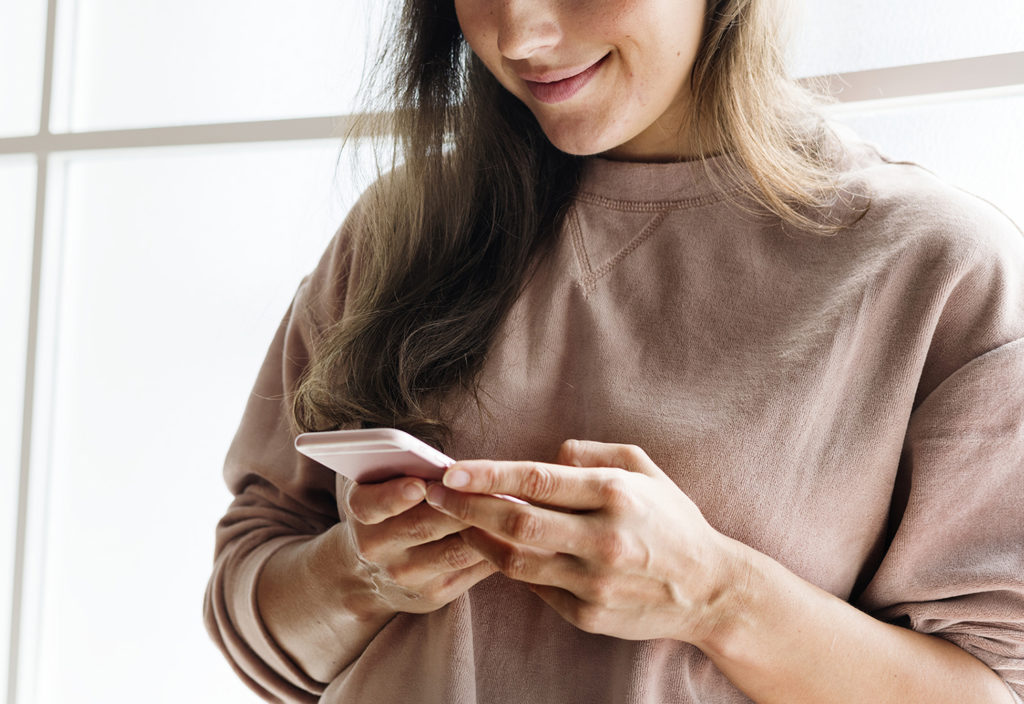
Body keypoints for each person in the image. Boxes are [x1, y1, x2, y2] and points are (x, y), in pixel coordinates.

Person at [204, 0, 1024, 702]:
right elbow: (253, 603)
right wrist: (359, 572)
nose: (520, 35)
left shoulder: (937, 268)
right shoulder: (400, 232)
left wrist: (718, 597)